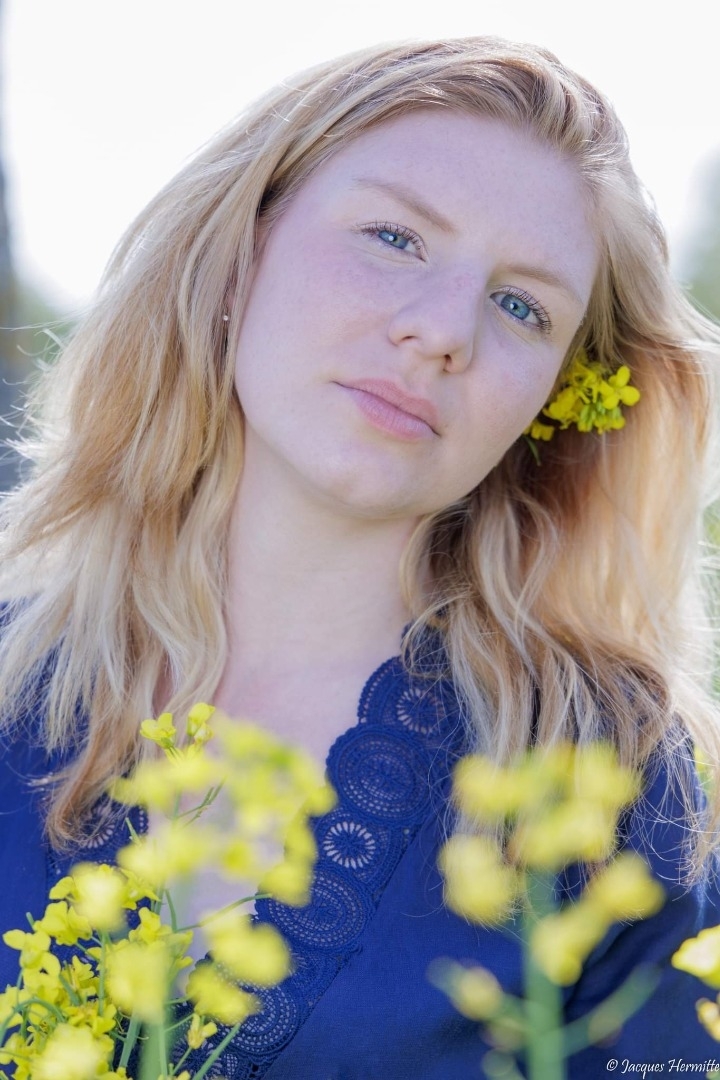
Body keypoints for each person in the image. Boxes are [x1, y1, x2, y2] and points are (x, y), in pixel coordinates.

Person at [1, 34, 719, 1078]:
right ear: (242, 246)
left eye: (522, 306)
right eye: (395, 237)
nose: (444, 330)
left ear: (555, 397)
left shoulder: (611, 780)